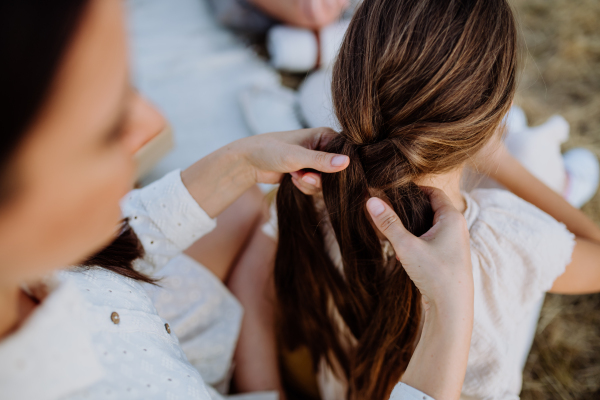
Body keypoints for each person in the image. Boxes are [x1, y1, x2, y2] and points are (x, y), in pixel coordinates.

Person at [0, 1, 475, 400]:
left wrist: (239, 162)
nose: (152, 124)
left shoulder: (33, 270)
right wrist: (452, 312)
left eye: (132, 86)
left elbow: (103, 260)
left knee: (242, 205)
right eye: (106, 128)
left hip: (144, 319)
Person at [231, 0, 600, 399]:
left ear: (344, 82)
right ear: (495, 117)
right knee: (536, 164)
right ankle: (558, 176)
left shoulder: (316, 188)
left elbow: (251, 275)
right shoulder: (510, 241)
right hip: (508, 240)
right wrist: (501, 160)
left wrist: (266, 392)